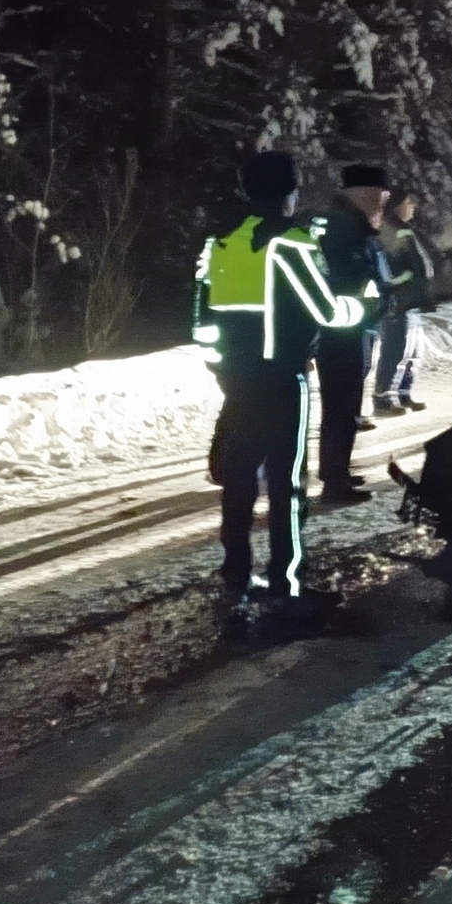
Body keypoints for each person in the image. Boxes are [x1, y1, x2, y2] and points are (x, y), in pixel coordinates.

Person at [195, 151, 364, 621]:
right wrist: (364, 307)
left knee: (240, 476)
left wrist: (221, 368)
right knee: (287, 484)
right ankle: (287, 584)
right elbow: (327, 311)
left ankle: (235, 570)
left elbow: (203, 319)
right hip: (282, 376)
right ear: (288, 192)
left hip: (237, 377)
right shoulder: (289, 241)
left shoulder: (220, 243)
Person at [309, 162, 390, 500]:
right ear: (364, 195)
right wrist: (372, 302)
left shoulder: (347, 223)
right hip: (342, 331)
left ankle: (335, 470)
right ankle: (334, 481)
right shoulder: (345, 227)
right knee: (342, 406)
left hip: (345, 329)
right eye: (379, 196)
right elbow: (346, 280)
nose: (382, 205)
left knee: (341, 406)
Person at [373, 190, 434, 416]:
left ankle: (403, 392)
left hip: (411, 299)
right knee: (395, 349)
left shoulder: (402, 228)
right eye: (409, 202)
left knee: (412, 351)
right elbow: (391, 265)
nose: (413, 206)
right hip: (398, 301)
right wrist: (402, 282)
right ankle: (382, 398)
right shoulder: (390, 228)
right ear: (398, 204)